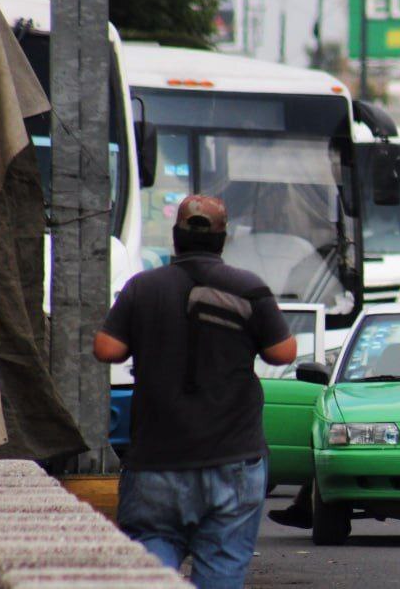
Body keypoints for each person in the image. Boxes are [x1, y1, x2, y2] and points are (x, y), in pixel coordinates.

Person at [93, 195, 296, 589]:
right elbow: (282, 352)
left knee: (154, 560)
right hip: (232, 457)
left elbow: (107, 348)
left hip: (156, 458)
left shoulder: (143, 288)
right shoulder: (247, 288)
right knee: (221, 564)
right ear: (223, 238)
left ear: (176, 237)